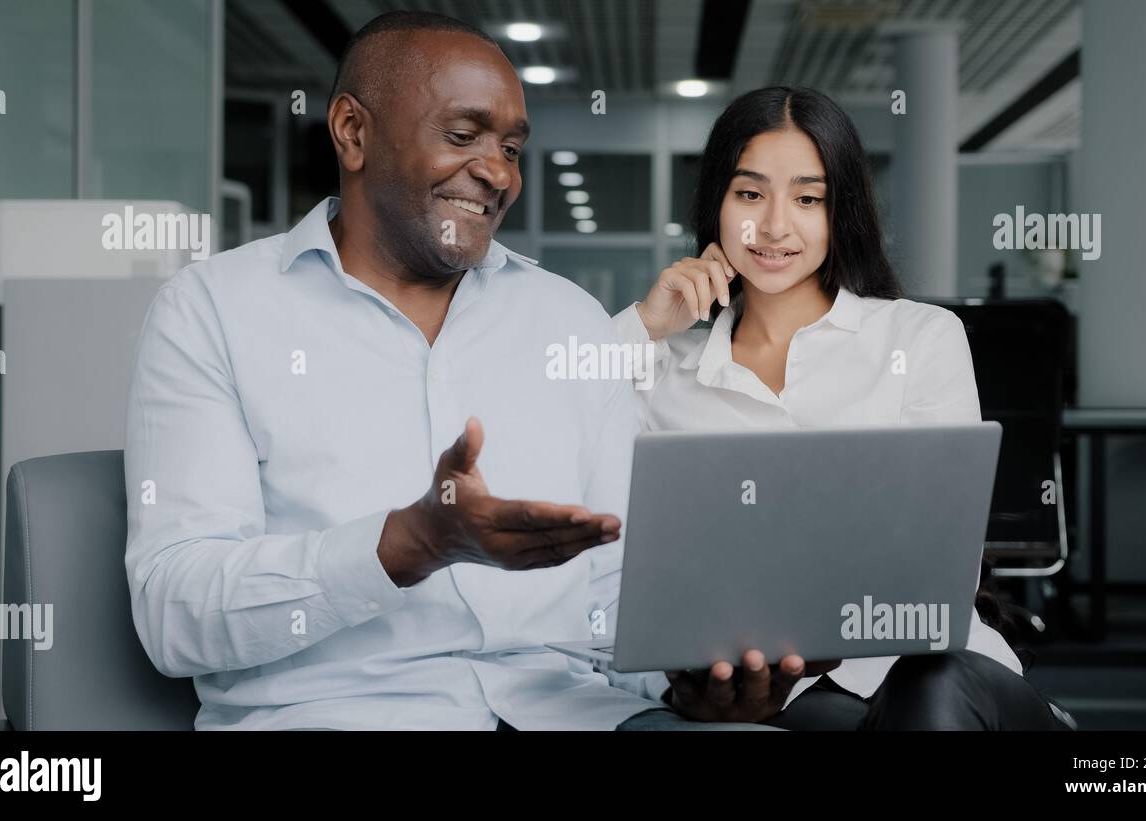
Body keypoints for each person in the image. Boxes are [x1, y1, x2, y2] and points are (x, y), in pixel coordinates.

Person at [123, 10, 826, 731]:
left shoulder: (569, 322)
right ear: (352, 131)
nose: (497, 173)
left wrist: (690, 680)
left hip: (577, 714)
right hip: (339, 714)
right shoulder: (211, 311)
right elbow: (175, 612)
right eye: (462, 136)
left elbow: (616, 597)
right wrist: (402, 546)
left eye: (512, 149)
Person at [611, 86, 1069, 730]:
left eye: (807, 198)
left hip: (926, 669)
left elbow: (941, 566)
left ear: (840, 211)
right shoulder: (658, 367)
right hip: (759, 685)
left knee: (929, 687)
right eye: (749, 194)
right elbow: (549, 450)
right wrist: (643, 324)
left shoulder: (920, 336)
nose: (773, 226)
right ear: (715, 203)